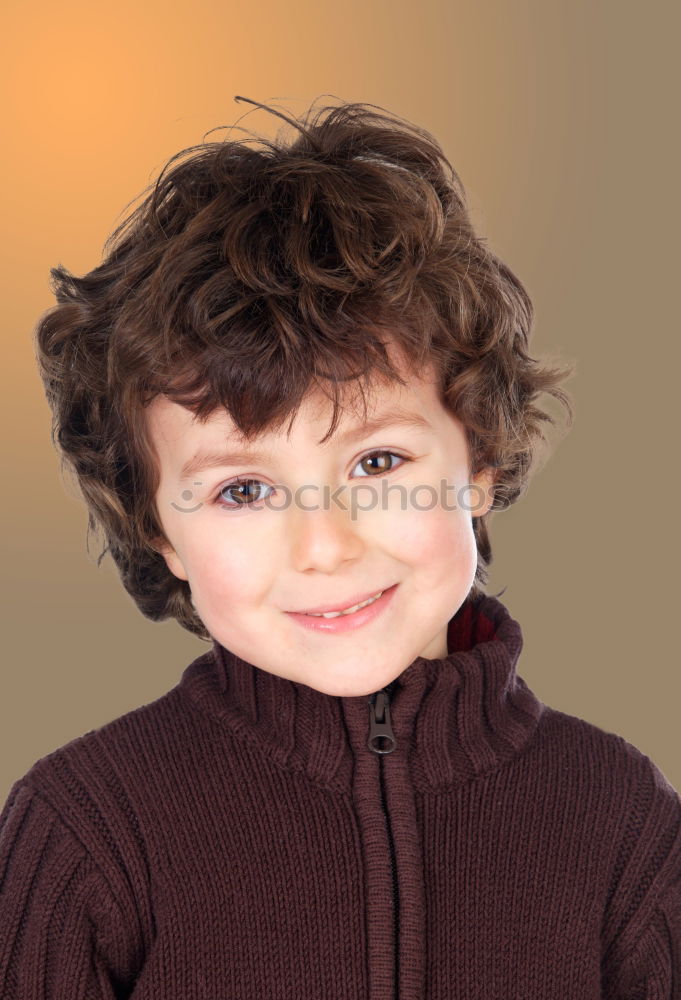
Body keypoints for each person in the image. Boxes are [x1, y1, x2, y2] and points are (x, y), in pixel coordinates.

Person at [1, 95, 678, 999]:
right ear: (158, 529)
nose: (323, 546)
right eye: (243, 489)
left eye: (377, 461)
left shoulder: (619, 820)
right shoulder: (85, 830)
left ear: (476, 459)